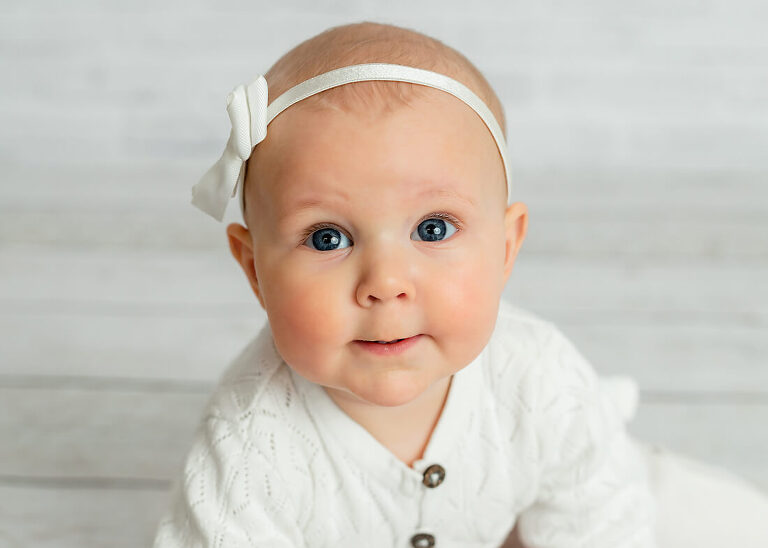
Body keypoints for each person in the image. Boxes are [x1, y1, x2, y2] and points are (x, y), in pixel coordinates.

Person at [153, 21, 768, 548]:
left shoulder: (539, 382)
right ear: (255, 269)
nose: (386, 284)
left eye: (433, 227)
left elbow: (604, 524)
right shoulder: (250, 445)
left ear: (505, 248)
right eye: (327, 238)